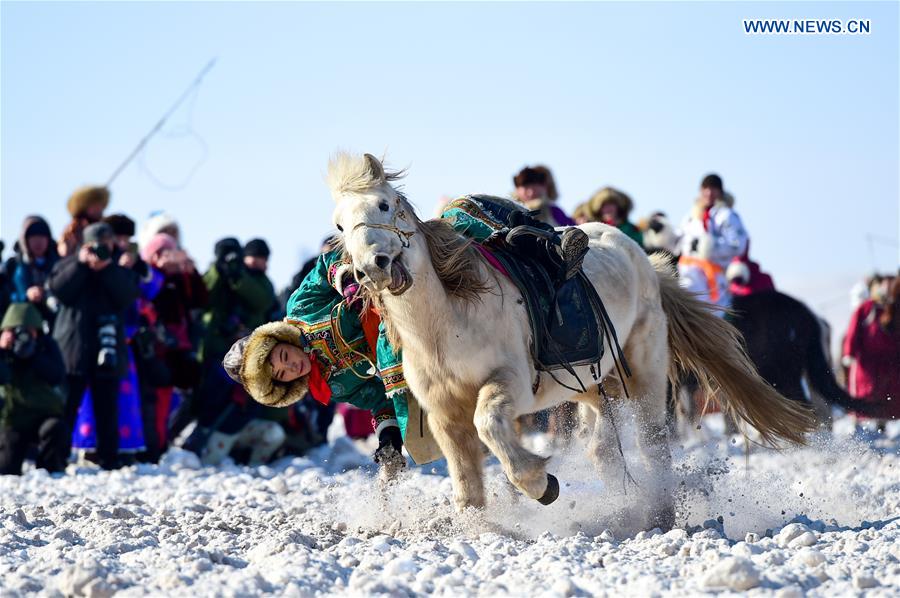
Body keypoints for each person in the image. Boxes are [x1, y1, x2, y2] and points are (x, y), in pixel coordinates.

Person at [48, 222, 140, 469]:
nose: (101, 249)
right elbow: (58, 290)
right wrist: (81, 264)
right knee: (66, 407)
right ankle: (57, 458)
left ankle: (109, 459)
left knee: (107, 409)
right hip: (73, 349)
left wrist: (107, 269)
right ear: (84, 245)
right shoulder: (69, 265)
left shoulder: (119, 269)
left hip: (106, 349)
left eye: (106, 244)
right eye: (95, 245)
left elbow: (127, 295)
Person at [0, 303, 68, 475]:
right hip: (13, 418)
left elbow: (57, 376)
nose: (22, 336)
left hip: (42, 416)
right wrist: (2, 351)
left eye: (28, 331)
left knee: (56, 427)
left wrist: (33, 355)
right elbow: (3, 378)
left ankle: (49, 468)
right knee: (7, 470)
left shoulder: (46, 345)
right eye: (16, 331)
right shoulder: (3, 349)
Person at [676, 174, 749, 309]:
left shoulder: (727, 215)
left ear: (720, 192)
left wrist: (709, 246)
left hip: (713, 278)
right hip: (686, 273)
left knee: (705, 314)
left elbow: (737, 245)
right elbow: (677, 240)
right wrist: (661, 233)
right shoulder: (691, 216)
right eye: (706, 188)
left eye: (713, 189)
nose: (709, 193)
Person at [842, 275, 900, 424]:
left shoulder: (892, 310)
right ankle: (862, 424)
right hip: (866, 365)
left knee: (888, 396)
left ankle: (884, 424)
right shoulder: (866, 308)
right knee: (866, 396)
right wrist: (849, 352)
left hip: (889, 364)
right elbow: (853, 331)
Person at [3, 216, 60, 327]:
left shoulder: (59, 263)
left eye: (42, 237)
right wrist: (26, 295)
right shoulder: (13, 265)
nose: (38, 242)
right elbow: (7, 294)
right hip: (23, 321)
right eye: (33, 237)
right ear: (25, 240)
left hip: (55, 320)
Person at [58, 186, 110, 258]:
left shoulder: (105, 226)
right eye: (95, 205)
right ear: (85, 207)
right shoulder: (73, 228)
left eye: (100, 205)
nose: (99, 208)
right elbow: (64, 253)